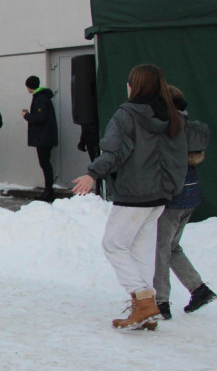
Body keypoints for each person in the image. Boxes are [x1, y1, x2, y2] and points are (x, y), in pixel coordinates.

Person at [72, 64, 187, 331]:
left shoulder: (127, 114)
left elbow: (114, 152)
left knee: (113, 244)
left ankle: (144, 301)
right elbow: (180, 156)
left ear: (135, 86)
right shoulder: (172, 115)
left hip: (135, 194)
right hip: (159, 196)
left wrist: (93, 173)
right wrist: (171, 186)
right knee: (140, 250)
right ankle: (145, 311)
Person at [153, 89, 213, 320]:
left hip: (174, 197)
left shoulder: (170, 127)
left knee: (160, 248)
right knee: (172, 246)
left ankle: (161, 302)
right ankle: (199, 290)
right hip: (191, 193)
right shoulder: (189, 125)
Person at [23, 75, 59, 202]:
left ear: (29, 86)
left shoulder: (40, 99)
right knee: (45, 164)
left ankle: (48, 191)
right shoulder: (43, 97)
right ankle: (48, 190)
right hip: (45, 137)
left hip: (43, 138)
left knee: (45, 164)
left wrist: (26, 115)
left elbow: (39, 119)